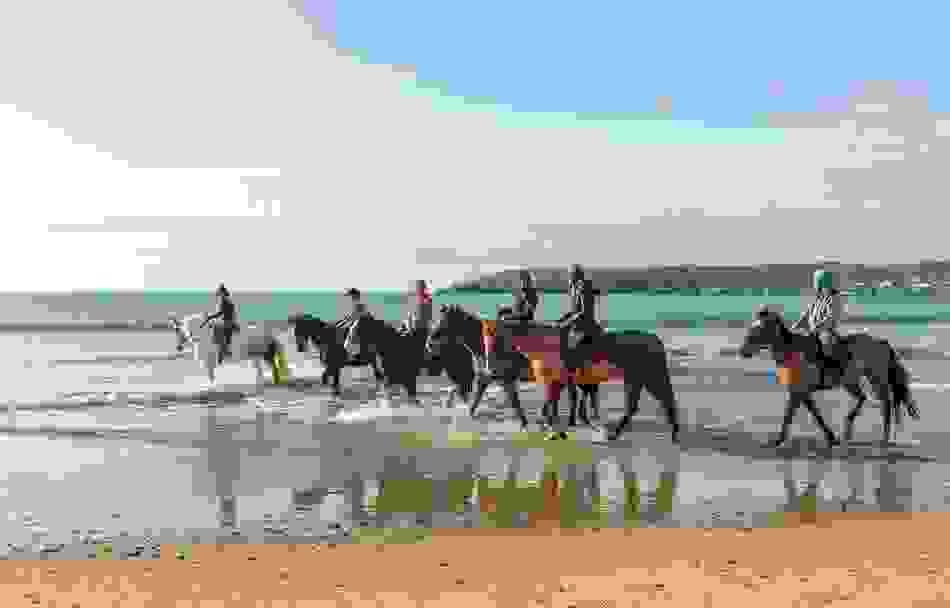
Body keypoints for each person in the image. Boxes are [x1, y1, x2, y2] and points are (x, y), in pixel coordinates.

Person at [792, 268, 846, 380]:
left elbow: (831, 317)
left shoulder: (834, 298)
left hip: (826, 332)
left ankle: (831, 373)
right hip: (813, 331)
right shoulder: (817, 299)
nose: (815, 286)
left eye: (817, 282)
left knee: (826, 344)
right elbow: (807, 315)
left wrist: (818, 327)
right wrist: (796, 326)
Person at [555, 264, 603, 372]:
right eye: (570, 275)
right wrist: (561, 320)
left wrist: (566, 322)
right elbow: (574, 312)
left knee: (570, 349)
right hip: (578, 325)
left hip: (587, 327)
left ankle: (574, 370)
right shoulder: (575, 288)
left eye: (571, 275)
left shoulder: (584, 287)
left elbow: (584, 313)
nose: (569, 278)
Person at [201, 285, 239, 360]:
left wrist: (210, 317)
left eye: (220, 293)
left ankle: (223, 349)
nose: (219, 295)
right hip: (229, 321)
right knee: (215, 326)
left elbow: (221, 313)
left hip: (228, 322)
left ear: (223, 293)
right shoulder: (227, 300)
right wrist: (211, 317)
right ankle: (225, 349)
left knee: (214, 327)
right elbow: (224, 313)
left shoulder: (225, 300)